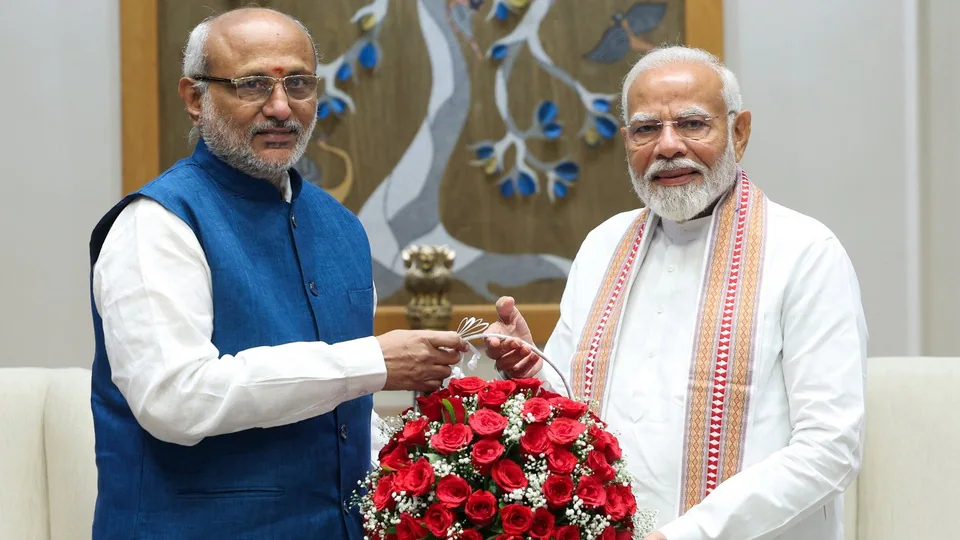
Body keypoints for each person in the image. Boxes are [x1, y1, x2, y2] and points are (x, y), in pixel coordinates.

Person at [88, 7, 466, 539]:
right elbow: (175, 399)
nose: (282, 107)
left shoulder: (341, 227)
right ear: (195, 98)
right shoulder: (157, 222)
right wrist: (373, 362)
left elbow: (336, 411)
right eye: (253, 85)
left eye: (299, 84)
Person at [486, 46, 867, 540]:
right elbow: (571, 418)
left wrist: (686, 535)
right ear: (627, 141)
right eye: (646, 129)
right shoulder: (604, 244)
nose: (667, 146)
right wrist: (532, 366)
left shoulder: (805, 252)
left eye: (691, 124)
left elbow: (831, 448)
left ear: (739, 132)